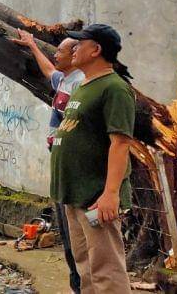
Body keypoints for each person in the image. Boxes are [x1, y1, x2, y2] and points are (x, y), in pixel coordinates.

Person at [51, 24, 135, 294]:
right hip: (74, 194)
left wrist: (111, 193)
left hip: (96, 196)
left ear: (96, 50)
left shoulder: (114, 88)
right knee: (85, 265)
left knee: (106, 269)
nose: (74, 48)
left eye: (80, 43)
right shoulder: (83, 85)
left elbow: (121, 143)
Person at [11, 29, 84, 294]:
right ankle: (76, 283)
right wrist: (31, 44)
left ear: (75, 55)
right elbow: (47, 70)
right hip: (59, 161)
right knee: (66, 228)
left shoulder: (81, 82)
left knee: (75, 231)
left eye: (61, 51)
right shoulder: (64, 80)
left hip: (73, 166)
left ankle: (82, 283)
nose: (56, 54)